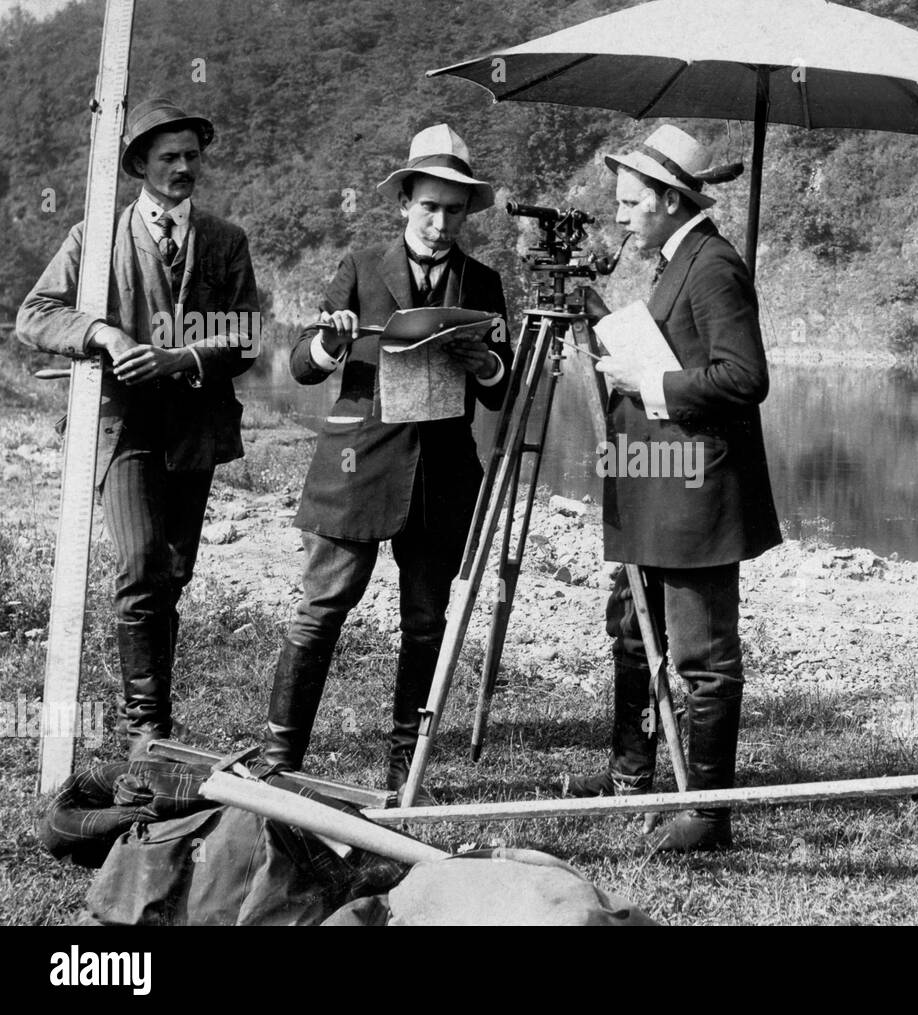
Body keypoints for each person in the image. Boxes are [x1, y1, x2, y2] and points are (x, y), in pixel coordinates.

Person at [261, 125, 510, 801]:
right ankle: (280, 762)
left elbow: (504, 385)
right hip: (359, 464)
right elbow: (301, 367)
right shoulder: (362, 267)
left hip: (443, 477)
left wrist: (484, 360)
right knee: (322, 606)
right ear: (403, 203)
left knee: (428, 622)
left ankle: (407, 771)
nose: (440, 223)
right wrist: (329, 344)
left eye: (454, 211)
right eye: (429, 207)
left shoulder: (483, 282)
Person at [18, 97, 261, 759]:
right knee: (139, 563)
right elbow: (35, 314)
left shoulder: (224, 239)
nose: (183, 168)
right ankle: (142, 729)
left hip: (196, 427)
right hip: (120, 424)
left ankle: (159, 720)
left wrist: (182, 355)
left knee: (173, 574)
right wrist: (98, 330)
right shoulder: (94, 239)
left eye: (192, 156)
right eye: (168, 157)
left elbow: (247, 335)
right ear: (139, 166)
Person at [563, 124, 782, 853]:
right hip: (665, 483)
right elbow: (678, 347)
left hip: (700, 494)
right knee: (640, 631)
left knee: (704, 658)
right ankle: (643, 780)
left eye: (629, 202)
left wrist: (647, 381)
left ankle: (709, 813)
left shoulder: (713, 265)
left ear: (664, 199)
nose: (620, 215)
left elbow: (745, 378)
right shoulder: (676, 261)